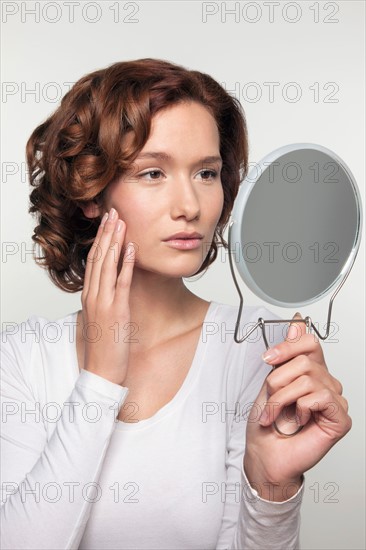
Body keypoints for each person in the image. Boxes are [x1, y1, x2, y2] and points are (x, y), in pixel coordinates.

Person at [0, 58, 351, 550]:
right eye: (152, 173)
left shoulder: (257, 347)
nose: (190, 205)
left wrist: (272, 488)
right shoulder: (23, 355)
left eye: (206, 173)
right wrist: (100, 381)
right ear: (90, 193)